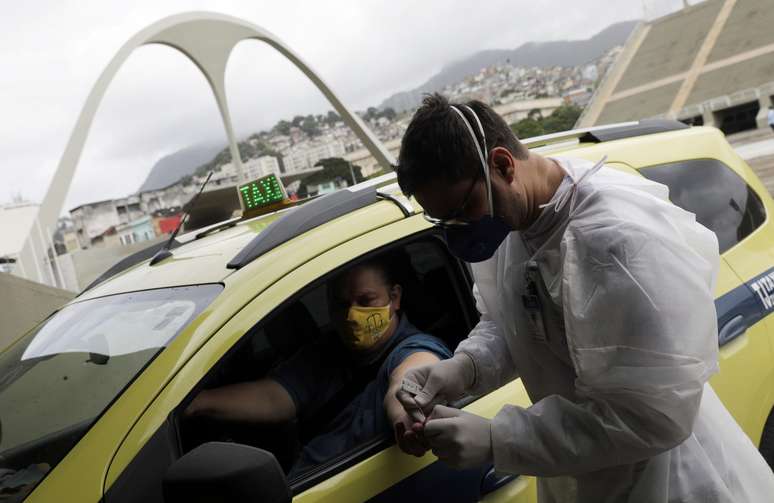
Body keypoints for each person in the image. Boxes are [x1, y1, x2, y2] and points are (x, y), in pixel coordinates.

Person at [393, 93, 774, 502]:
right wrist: (465, 367)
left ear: (502, 166)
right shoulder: (515, 220)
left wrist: (497, 438)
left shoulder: (615, 242)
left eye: (464, 208)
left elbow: (653, 417)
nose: (462, 229)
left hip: (669, 483)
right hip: (584, 476)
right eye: (445, 220)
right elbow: (517, 318)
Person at [185, 257, 451, 477]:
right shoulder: (328, 351)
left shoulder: (415, 348)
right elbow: (274, 396)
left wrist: (408, 418)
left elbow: (411, 380)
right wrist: (196, 402)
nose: (352, 315)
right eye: (341, 304)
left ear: (394, 298)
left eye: (365, 300)